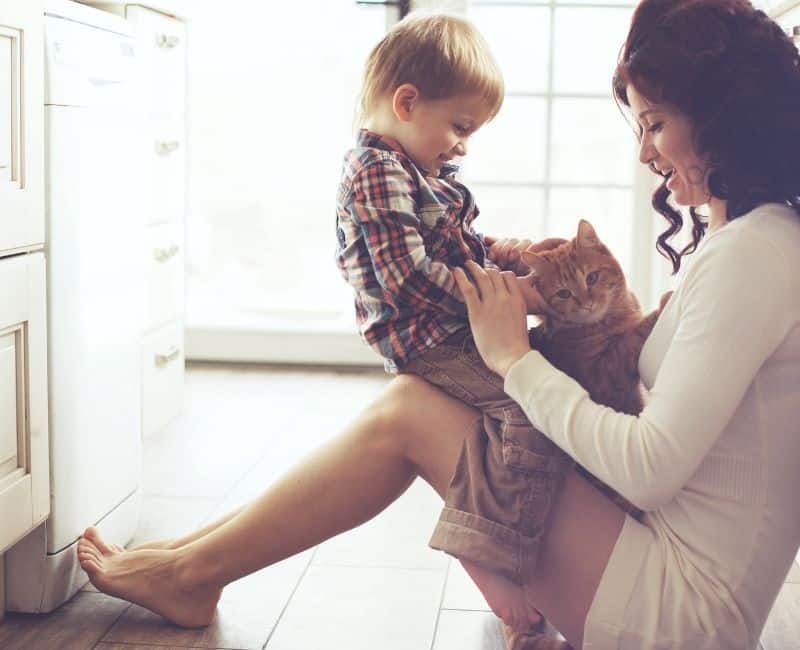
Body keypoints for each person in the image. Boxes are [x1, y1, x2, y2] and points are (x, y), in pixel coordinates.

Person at [77, 0, 800, 647]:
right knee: (413, 403)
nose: (643, 151)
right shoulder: (747, 242)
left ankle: (192, 571)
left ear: (723, 119)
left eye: (655, 124)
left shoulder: (755, 255)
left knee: (409, 412)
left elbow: (648, 469)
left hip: (681, 613)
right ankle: (187, 561)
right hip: (662, 556)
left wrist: (517, 359)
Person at [334, 11, 573, 632]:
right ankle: (498, 562)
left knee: (541, 388)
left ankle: (512, 540)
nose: (464, 144)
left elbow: (462, 247)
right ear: (407, 102)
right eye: (460, 126)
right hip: (428, 338)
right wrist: (512, 298)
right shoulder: (376, 172)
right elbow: (409, 277)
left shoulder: (418, 170)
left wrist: (514, 255)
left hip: (451, 326)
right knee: (530, 409)